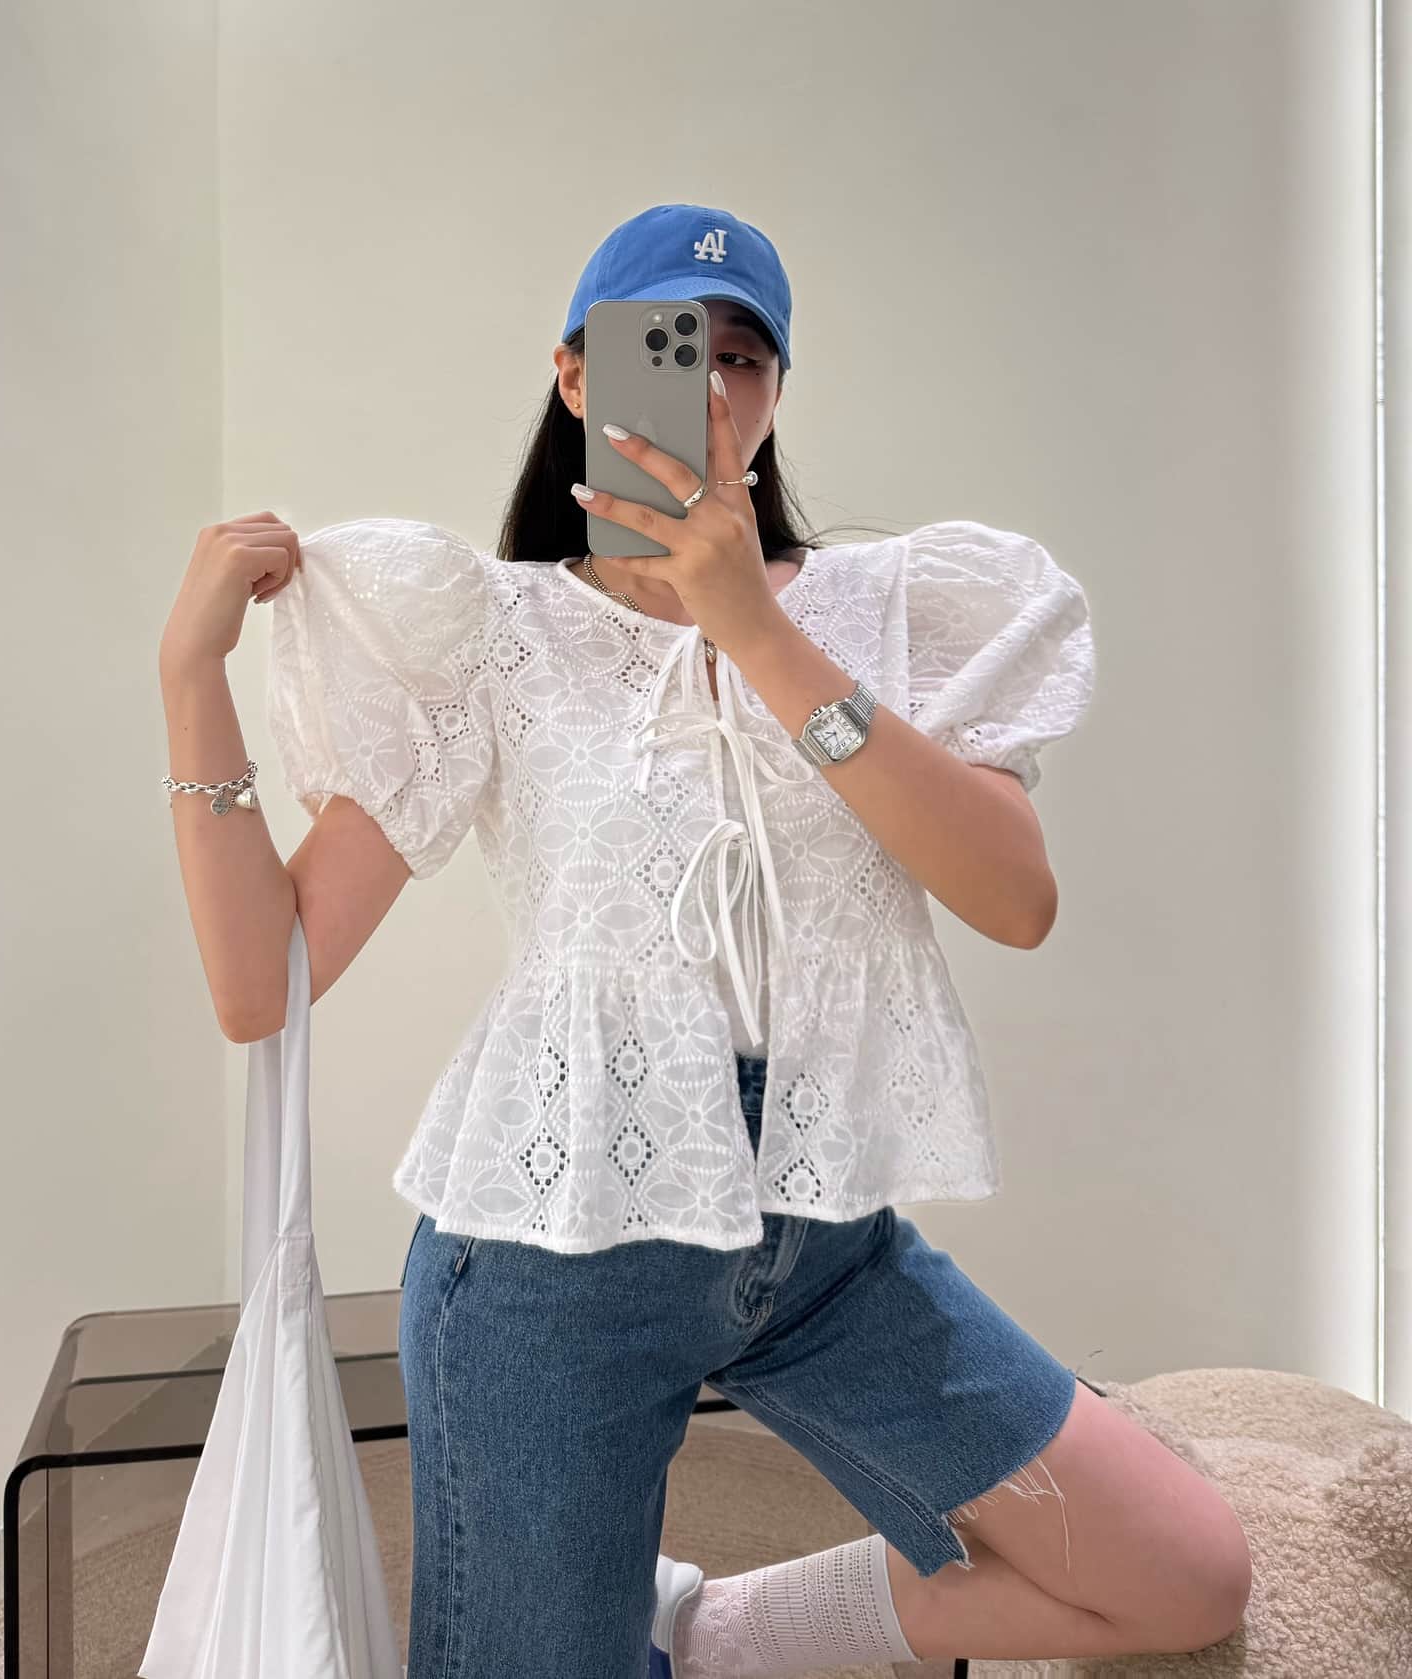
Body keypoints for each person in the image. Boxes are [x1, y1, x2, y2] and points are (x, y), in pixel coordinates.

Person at [159, 203, 1251, 1679]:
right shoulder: (494, 633)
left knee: (1183, 1575)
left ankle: (710, 1629)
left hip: (823, 1239)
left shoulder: (891, 606)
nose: (713, 385)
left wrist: (755, 628)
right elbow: (260, 983)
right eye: (669, 347)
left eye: (745, 355)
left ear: (779, 393)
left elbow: (1016, 899)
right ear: (576, 376)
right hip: (549, 1257)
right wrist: (190, 679)